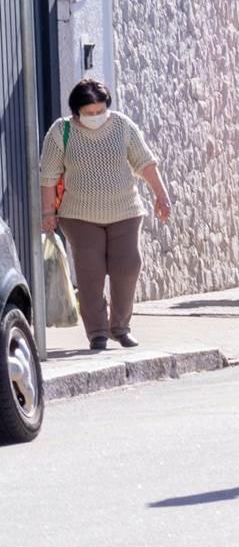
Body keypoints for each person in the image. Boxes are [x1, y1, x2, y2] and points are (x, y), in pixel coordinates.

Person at [38, 79, 171, 351]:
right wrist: (48, 212)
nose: (96, 117)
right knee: (91, 274)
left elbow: (144, 162)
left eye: (101, 111)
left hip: (125, 211)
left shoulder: (122, 125)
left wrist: (161, 194)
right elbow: (48, 176)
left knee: (128, 266)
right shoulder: (60, 132)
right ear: (77, 112)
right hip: (79, 215)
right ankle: (97, 332)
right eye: (89, 113)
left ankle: (120, 327)